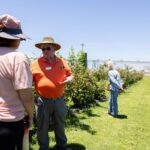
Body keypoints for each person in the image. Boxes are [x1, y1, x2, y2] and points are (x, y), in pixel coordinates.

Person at [30, 36, 73, 150]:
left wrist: (69, 79)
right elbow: (28, 81)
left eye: (47, 48)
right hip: (43, 101)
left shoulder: (62, 61)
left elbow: (70, 74)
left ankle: (62, 146)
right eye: (43, 49)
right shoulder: (35, 64)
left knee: (60, 124)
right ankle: (43, 148)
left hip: (59, 99)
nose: (45, 51)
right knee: (42, 127)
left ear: (54, 49)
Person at [0, 14, 34, 150]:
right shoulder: (17, 58)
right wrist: (31, 116)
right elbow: (26, 95)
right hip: (11, 122)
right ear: (14, 38)